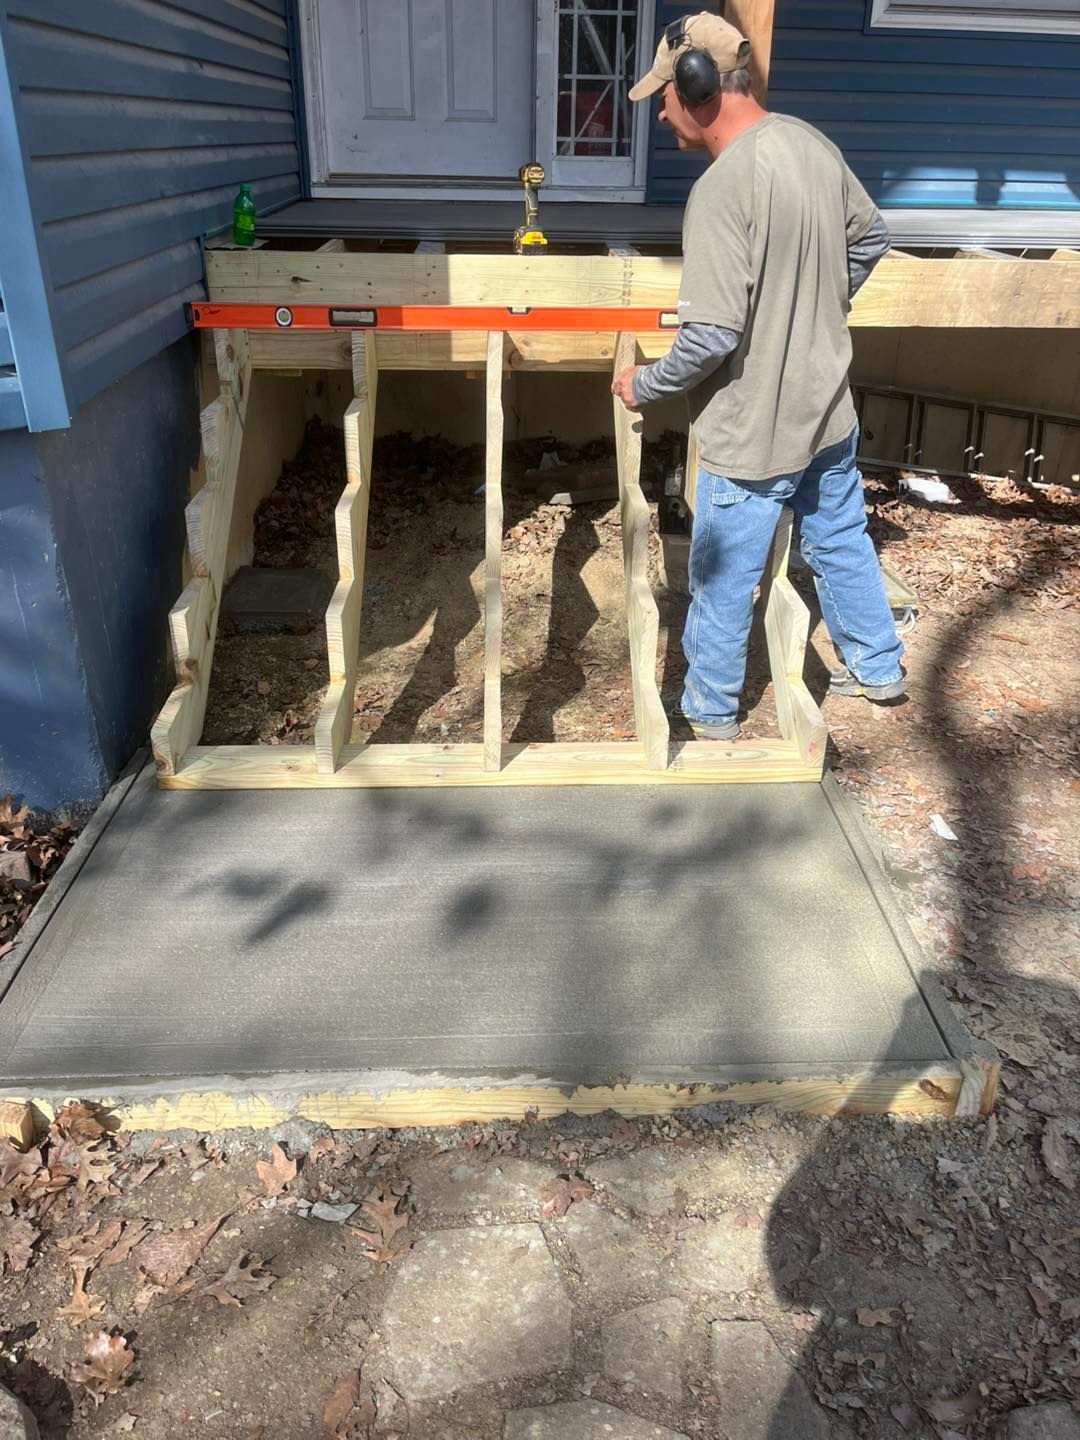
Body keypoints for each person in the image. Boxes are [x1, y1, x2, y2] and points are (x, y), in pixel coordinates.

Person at [612, 13, 904, 741]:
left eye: (665, 97)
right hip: (827, 410)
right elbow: (872, 238)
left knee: (721, 576)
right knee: (840, 537)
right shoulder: (809, 144)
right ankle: (879, 667)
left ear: (697, 86)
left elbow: (710, 335)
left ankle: (710, 713)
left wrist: (644, 384)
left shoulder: (719, 192)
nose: (663, 114)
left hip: (753, 431)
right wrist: (814, 305)